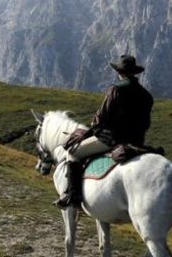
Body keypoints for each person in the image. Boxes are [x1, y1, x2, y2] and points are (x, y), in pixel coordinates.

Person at [54, 54, 154, 209]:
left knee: (73, 153)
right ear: (135, 73)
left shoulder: (115, 90)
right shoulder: (147, 95)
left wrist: (88, 132)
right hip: (136, 141)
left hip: (111, 140)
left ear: (119, 72)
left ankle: (73, 196)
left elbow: (100, 119)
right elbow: (146, 124)